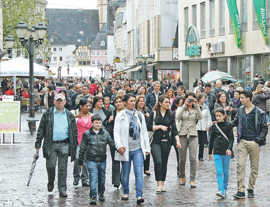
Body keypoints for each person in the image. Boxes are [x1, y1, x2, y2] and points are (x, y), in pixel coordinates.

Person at [35, 93, 78, 198]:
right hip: (51, 144)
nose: (59, 102)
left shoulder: (69, 115)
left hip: (64, 143)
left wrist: (74, 144)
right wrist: (38, 143)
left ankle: (62, 189)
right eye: (57, 100)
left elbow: (74, 131)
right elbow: (41, 129)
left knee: (63, 169)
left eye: (61, 100)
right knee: (51, 166)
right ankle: (51, 181)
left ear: (64, 102)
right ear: (54, 101)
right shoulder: (48, 113)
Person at [114, 94, 150, 205]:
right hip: (125, 149)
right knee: (125, 172)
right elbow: (116, 132)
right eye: (131, 101)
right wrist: (119, 146)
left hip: (138, 148)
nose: (133, 103)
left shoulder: (139, 115)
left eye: (134, 101)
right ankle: (125, 192)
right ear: (125, 103)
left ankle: (139, 195)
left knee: (139, 172)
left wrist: (147, 147)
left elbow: (144, 132)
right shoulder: (120, 115)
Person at [232, 90, 268, 199]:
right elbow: (235, 122)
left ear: (248, 98)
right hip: (242, 141)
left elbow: (264, 128)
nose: (240, 99)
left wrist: (258, 139)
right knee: (240, 166)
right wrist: (224, 124)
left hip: (254, 143)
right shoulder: (240, 110)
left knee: (254, 167)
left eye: (242, 98)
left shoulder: (259, 112)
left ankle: (251, 188)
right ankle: (241, 191)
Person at [79, 114, 115, 205]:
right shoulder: (87, 134)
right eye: (96, 123)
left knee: (102, 178)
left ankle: (101, 193)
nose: (98, 124)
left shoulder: (105, 133)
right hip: (91, 159)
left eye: (99, 123)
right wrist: (80, 160)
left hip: (102, 159)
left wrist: (116, 154)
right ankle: (93, 196)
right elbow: (82, 148)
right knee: (93, 177)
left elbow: (111, 144)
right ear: (92, 123)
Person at [149, 95, 181, 193]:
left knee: (164, 163)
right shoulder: (154, 113)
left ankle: (162, 183)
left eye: (168, 102)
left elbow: (174, 129)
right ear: (160, 103)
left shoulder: (171, 114)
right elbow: (148, 126)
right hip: (155, 141)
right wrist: (159, 127)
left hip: (167, 142)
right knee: (158, 161)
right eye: (166, 102)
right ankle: (158, 184)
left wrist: (178, 141)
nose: (168, 104)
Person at [176, 92, 202, 188]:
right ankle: (182, 176)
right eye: (189, 99)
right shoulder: (182, 108)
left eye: (192, 99)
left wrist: (197, 105)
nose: (190, 101)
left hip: (193, 134)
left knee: (193, 158)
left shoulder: (196, 109)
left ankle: (192, 179)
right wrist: (184, 105)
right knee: (182, 158)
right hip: (182, 134)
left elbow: (200, 117)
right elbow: (178, 117)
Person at [209, 108, 234, 199]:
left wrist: (229, 148)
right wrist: (209, 152)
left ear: (224, 116)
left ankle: (224, 188)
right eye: (216, 116)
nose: (218, 117)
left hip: (226, 152)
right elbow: (211, 140)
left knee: (225, 172)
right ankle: (221, 190)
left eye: (220, 116)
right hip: (217, 152)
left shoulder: (228, 125)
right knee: (219, 172)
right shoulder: (214, 126)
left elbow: (231, 138)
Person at [106, 96, 124, 189]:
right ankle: (116, 181)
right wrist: (109, 121)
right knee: (115, 160)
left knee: (125, 161)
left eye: (120, 101)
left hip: (125, 140)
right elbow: (107, 125)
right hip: (114, 140)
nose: (118, 103)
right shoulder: (111, 113)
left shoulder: (126, 113)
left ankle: (123, 179)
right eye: (116, 102)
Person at [73, 99, 92, 187]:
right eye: (86, 106)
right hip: (78, 141)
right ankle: (76, 177)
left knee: (86, 161)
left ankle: (85, 179)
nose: (87, 108)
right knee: (77, 159)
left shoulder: (91, 116)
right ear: (81, 106)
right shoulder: (75, 114)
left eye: (89, 106)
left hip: (89, 141)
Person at [135, 95, 151, 176]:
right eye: (140, 101)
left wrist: (148, 116)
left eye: (143, 101)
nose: (141, 102)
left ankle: (146, 168)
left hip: (146, 132)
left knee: (147, 148)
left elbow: (150, 123)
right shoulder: (134, 111)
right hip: (137, 133)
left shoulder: (146, 111)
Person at [196, 94, 212, 161]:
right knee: (195, 142)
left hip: (203, 127)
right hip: (196, 126)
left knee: (202, 143)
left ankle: (201, 156)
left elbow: (209, 117)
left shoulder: (206, 107)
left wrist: (208, 125)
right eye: (203, 98)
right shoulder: (195, 106)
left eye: (205, 98)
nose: (204, 100)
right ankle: (193, 155)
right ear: (199, 99)